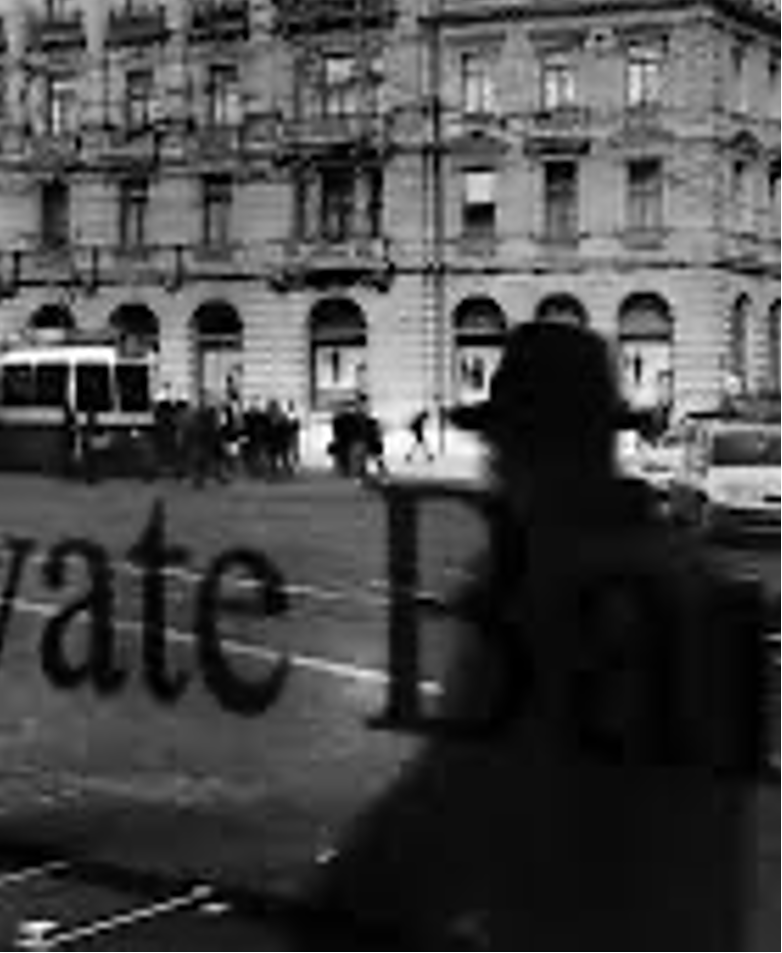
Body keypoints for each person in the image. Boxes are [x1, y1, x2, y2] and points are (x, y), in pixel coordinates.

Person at [292, 320, 759, 951]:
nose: (494, 471)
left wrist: (332, 913)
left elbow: (457, 806)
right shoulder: (687, 571)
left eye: (503, 449)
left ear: (526, 451)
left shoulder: (546, 584)